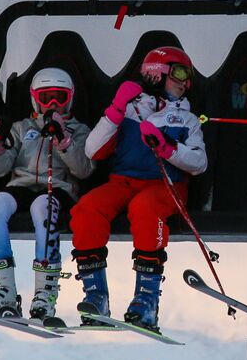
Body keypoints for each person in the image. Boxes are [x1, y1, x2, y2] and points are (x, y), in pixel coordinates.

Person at [71, 47, 208, 332]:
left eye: (188, 77)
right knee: (87, 209)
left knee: (145, 208)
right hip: (122, 181)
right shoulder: (130, 110)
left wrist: (166, 147)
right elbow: (92, 149)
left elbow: (198, 163)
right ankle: (96, 297)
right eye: (180, 73)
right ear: (157, 73)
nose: (186, 82)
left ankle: (146, 301)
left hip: (166, 185)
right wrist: (116, 110)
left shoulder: (187, 119)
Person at [0, 67, 94, 320]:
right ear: (34, 98)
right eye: (45, 98)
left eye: (59, 97)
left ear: (70, 98)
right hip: (20, 185)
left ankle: (45, 291)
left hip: (57, 189)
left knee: (42, 208)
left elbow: (84, 169)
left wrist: (64, 142)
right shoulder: (22, 128)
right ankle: (3, 288)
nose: (52, 104)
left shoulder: (79, 130)